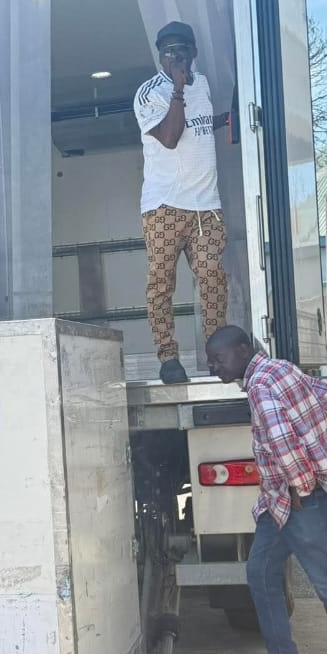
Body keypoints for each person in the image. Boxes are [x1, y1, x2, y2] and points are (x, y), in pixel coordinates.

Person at [206, 324, 327, 654]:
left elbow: (285, 448)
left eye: (218, 359)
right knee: (260, 573)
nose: (213, 367)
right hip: (283, 503)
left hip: (300, 502)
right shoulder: (281, 369)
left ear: (243, 350)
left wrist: (300, 492)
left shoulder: (260, 387)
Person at [134, 21, 230, 384]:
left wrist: (225, 120)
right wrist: (177, 89)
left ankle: (218, 357)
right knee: (161, 282)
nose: (175, 57)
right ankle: (168, 357)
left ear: (194, 53)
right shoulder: (149, 93)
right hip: (165, 207)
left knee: (213, 279)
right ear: (160, 56)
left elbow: (197, 127)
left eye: (182, 50)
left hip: (207, 206)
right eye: (168, 52)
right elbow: (171, 137)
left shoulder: (201, 84)